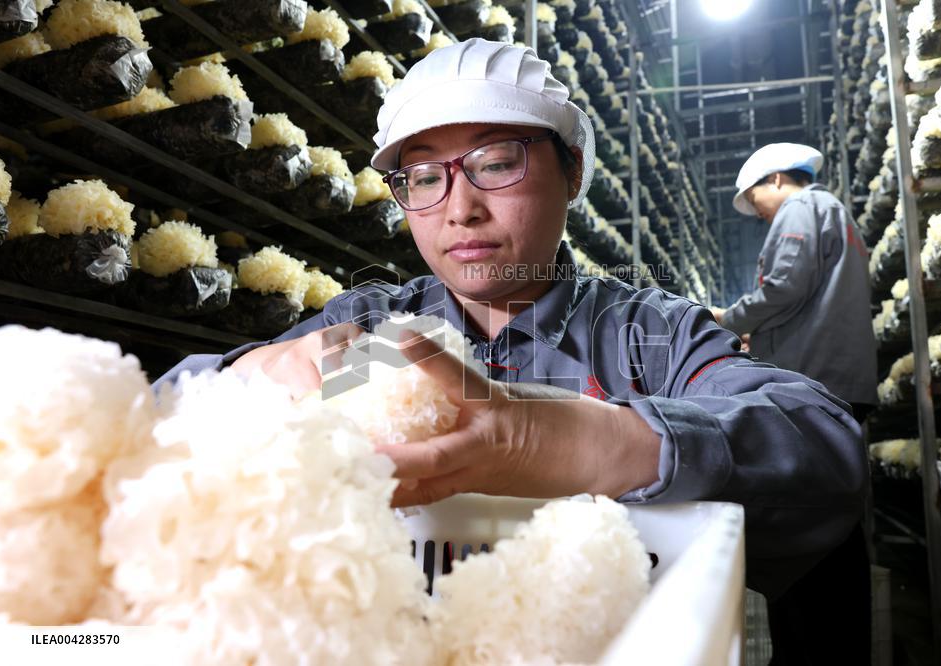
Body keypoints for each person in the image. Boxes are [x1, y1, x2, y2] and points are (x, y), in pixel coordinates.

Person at [156, 40, 868, 611]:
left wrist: (580, 441)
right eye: (423, 178)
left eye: (496, 163)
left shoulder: (644, 338)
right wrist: (241, 378)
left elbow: (825, 446)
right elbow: (150, 421)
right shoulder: (376, 332)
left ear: (573, 173)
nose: (459, 209)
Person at [712, 143, 877, 665]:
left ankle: (806, 652)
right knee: (835, 523)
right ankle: (829, 647)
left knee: (804, 527)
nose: (757, 211)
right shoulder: (834, 212)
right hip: (838, 379)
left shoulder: (802, 208)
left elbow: (784, 285)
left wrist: (728, 319)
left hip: (814, 384)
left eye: (754, 198)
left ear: (778, 179)